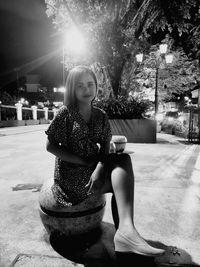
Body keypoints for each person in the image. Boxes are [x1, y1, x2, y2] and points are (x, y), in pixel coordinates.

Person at [45, 65, 165, 257]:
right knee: (121, 180)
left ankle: (126, 233)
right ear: (72, 89)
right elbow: (51, 146)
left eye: (90, 84)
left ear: (96, 86)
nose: (87, 89)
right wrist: (84, 163)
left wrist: (100, 166)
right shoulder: (65, 113)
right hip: (71, 176)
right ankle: (125, 235)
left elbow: (106, 144)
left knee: (123, 161)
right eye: (80, 86)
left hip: (94, 168)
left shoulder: (100, 115)